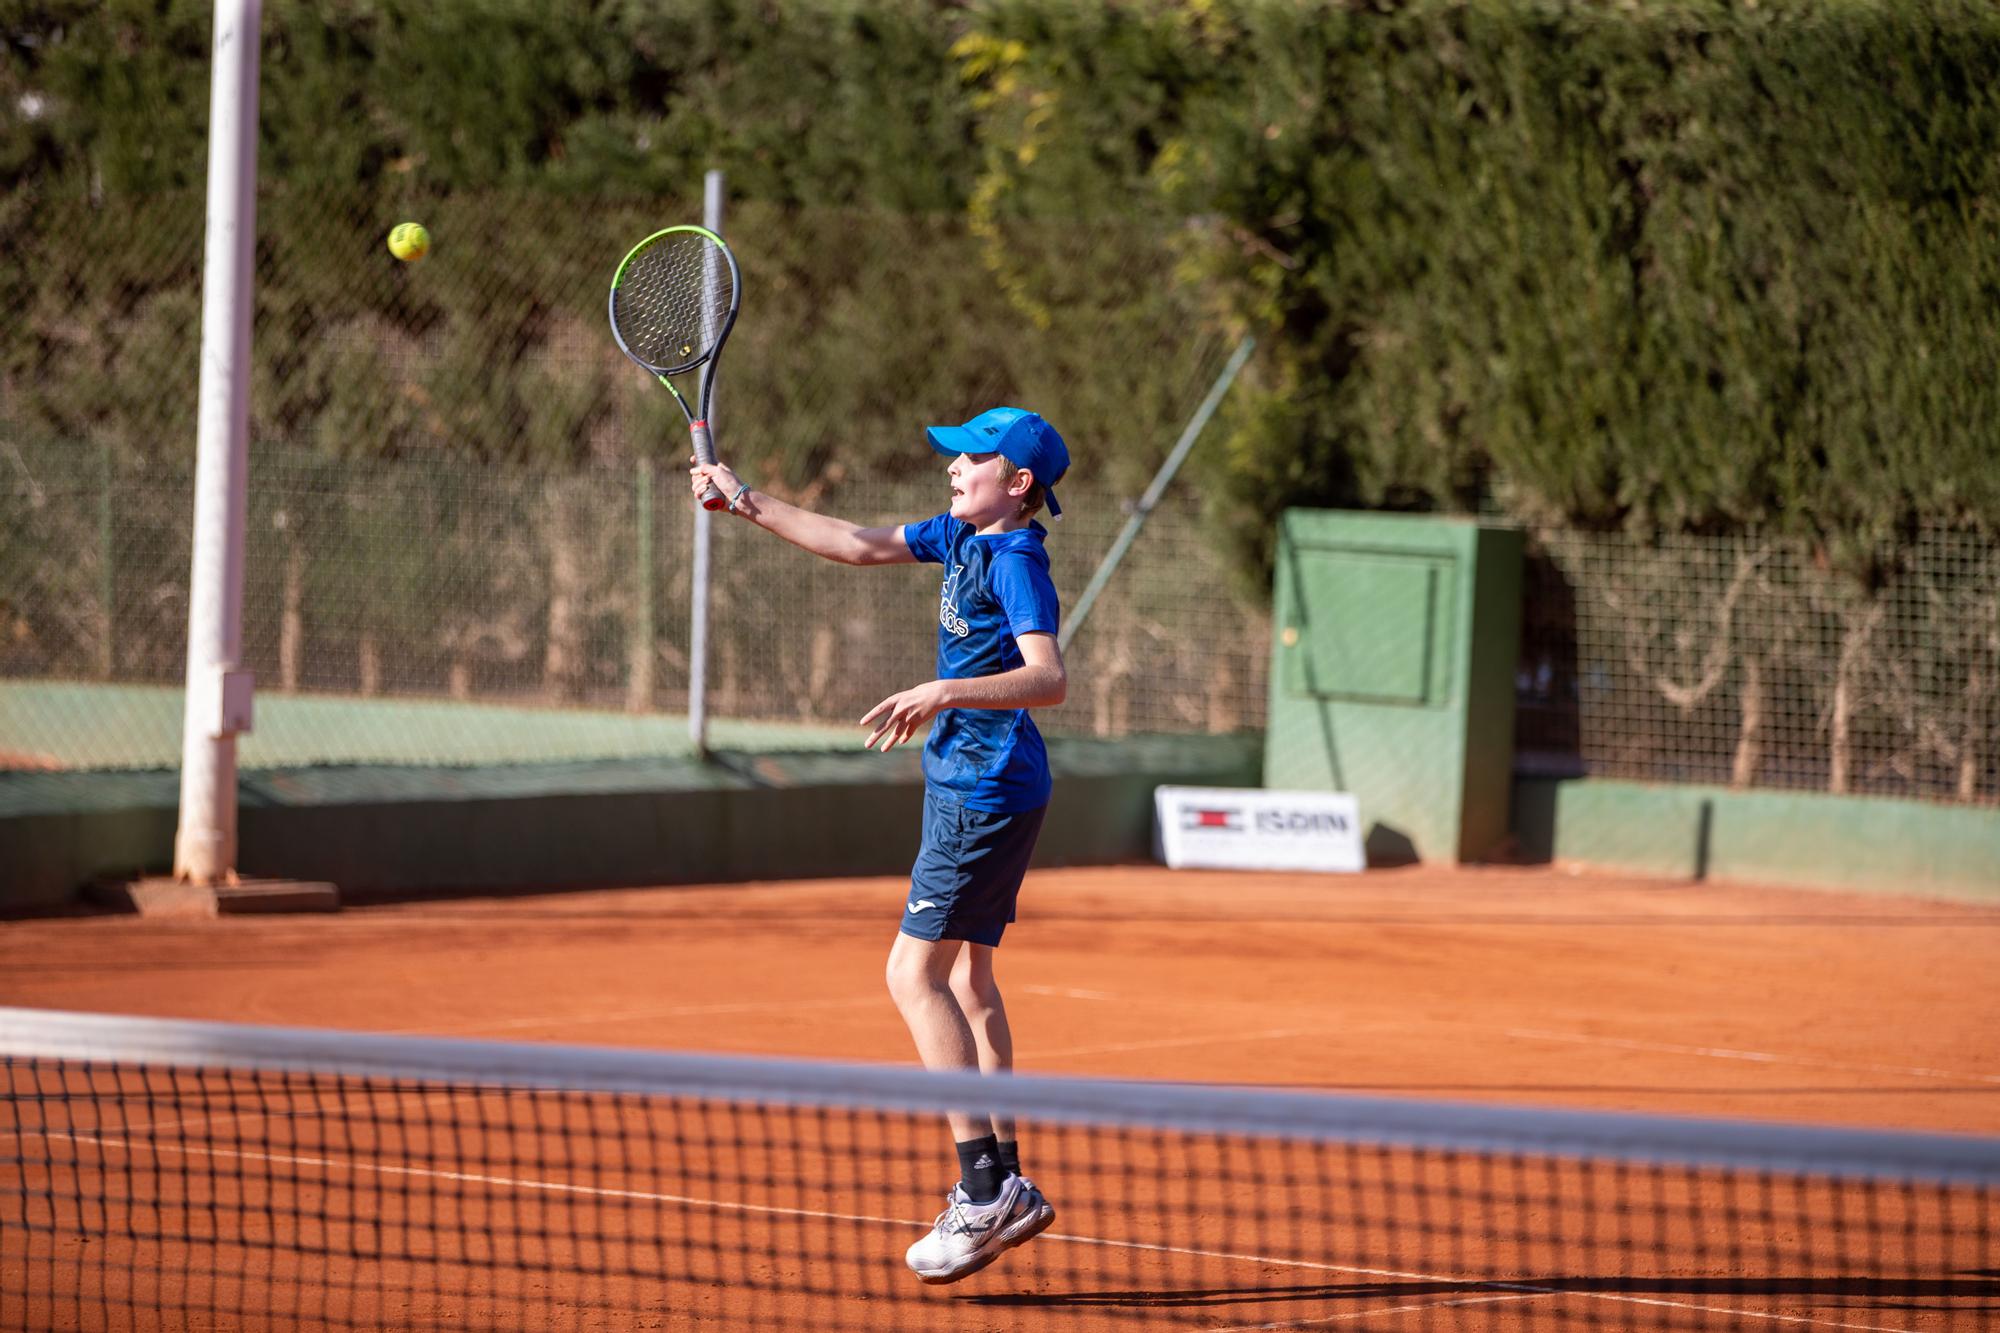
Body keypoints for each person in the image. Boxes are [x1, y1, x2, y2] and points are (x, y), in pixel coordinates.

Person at [688, 405, 1070, 1285]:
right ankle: (1008, 1177)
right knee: (969, 978)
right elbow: (856, 543)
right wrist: (744, 498)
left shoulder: (1013, 558)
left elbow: (1049, 677)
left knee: (912, 974)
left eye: (973, 458)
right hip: (987, 784)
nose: (953, 467)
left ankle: (982, 1193)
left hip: (984, 786)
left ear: (1017, 484)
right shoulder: (959, 537)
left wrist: (945, 689)